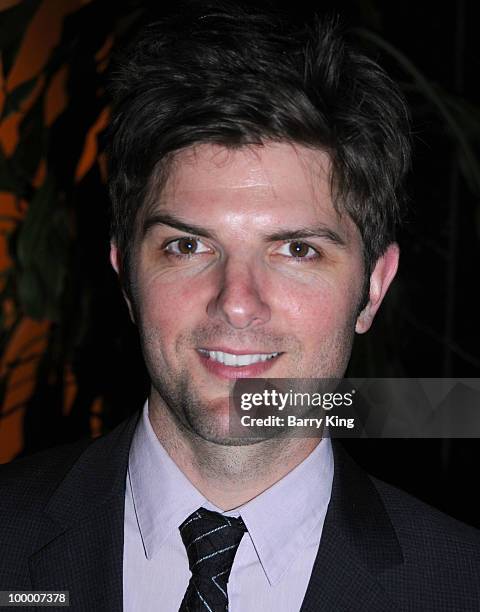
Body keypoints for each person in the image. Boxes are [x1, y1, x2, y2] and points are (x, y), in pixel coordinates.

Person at [1, 2, 479, 611]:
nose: (237, 304)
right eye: (188, 245)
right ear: (125, 274)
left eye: (297, 250)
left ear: (374, 287)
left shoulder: (461, 586)